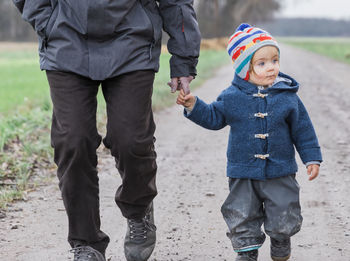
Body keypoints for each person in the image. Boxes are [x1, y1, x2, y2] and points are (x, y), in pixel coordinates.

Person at [13, 0, 200, 260]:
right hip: (65, 38)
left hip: (133, 38)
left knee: (131, 140)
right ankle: (86, 242)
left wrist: (184, 58)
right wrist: (48, 20)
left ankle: (138, 208)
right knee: (72, 140)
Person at [176, 23, 322, 261]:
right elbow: (214, 118)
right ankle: (246, 251)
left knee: (284, 209)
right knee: (242, 213)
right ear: (245, 69)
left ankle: (280, 238)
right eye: (262, 63)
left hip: (280, 170)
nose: (271, 67)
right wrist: (194, 105)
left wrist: (311, 158)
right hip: (243, 171)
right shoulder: (232, 97)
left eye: (275, 60)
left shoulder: (288, 97)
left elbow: (303, 130)